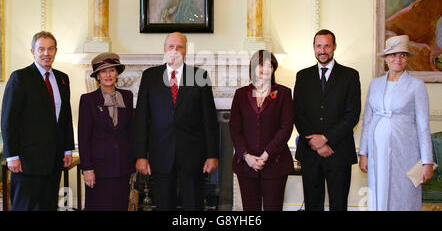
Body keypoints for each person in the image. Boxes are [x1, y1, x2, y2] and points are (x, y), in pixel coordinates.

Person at [133, 32, 219, 211]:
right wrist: (141, 155)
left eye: (179, 47)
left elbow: (209, 120)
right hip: (160, 154)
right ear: (164, 49)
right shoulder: (150, 76)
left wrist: (212, 155)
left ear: (186, 51)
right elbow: (141, 118)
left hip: (193, 155)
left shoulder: (200, 76)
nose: (175, 50)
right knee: (164, 205)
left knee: (193, 205)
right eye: (171, 46)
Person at [1, 31, 75, 211]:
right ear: (32, 51)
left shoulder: (62, 78)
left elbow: (65, 116)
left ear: (56, 51)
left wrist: (67, 148)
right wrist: (12, 155)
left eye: (50, 49)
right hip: (27, 162)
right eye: (41, 49)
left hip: (53, 161)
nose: (46, 53)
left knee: (48, 206)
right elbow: (9, 119)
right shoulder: (20, 77)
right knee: (25, 207)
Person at [359, 34, 434, 211]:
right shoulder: (375, 84)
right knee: (378, 191)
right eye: (392, 55)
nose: (397, 59)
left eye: (402, 55)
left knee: (403, 194)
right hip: (377, 151)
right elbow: (368, 120)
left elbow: (423, 126)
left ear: (407, 59)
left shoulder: (416, 85)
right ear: (385, 59)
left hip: (405, 151)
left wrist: (427, 162)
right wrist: (364, 153)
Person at [293, 29, 361, 211]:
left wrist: (325, 139)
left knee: (339, 205)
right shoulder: (302, 76)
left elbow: (352, 115)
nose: (322, 50)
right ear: (314, 48)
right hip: (310, 154)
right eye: (318, 46)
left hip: (339, 152)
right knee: (312, 205)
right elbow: (298, 114)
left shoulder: (350, 76)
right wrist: (316, 143)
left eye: (327, 46)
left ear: (334, 47)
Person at [230, 50, 294, 211]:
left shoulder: (283, 93)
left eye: (269, 65)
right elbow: (235, 129)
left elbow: (286, 128)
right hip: (246, 165)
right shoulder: (241, 94)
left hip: (275, 164)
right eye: (261, 64)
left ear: (273, 69)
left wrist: (266, 155)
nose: (265, 69)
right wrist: (246, 156)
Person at [78, 53, 135, 211]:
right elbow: (84, 137)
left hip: (123, 166)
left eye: (111, 70)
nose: (108, 75)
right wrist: (87, 168)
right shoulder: (87, 100)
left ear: (117, 73)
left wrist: (134, 161)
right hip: (98, 169)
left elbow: (131, 131)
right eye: (103, 71)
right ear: (97, 76)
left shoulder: (127, 96)